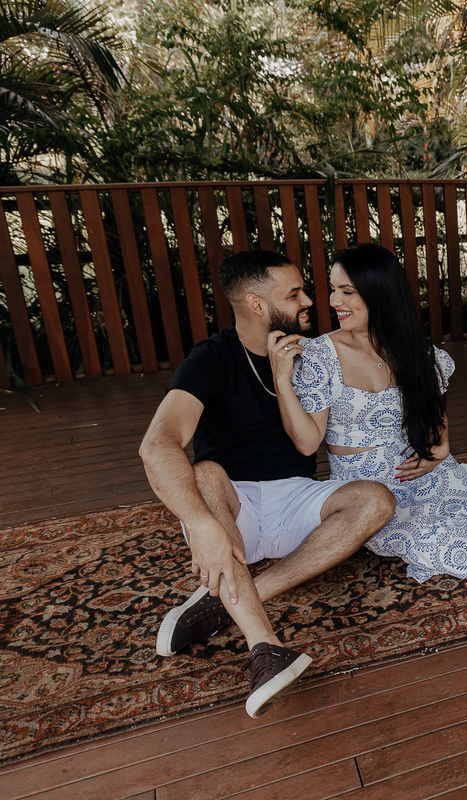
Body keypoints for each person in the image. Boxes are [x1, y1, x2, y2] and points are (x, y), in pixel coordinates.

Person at [139, 250, 396, 718]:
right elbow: (157, 445)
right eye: (295, 294)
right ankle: (265, 647)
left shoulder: (312, 352)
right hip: (233, 513)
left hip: (298, 497)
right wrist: (199, 522)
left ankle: (224, 603)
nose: (309, 301)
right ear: (257, 304)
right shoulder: (210, 360)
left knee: (377, 500)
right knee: (205, 473)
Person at [270, 242, 467, 583]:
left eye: (347, 291)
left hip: (421, 471)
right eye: (333, 290)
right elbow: (306, 443)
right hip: (368, 489)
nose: (333, 302)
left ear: (380, 293)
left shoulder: (416, 351)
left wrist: (441, 449)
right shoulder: (320, 356)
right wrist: (282, 381)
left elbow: (435, 417)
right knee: (449, 545)